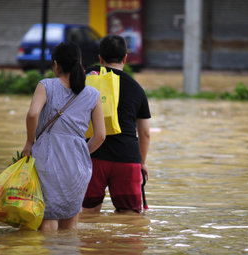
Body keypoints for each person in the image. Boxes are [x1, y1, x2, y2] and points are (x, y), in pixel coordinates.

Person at [22, 42, 106, 231]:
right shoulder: (93, 94)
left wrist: (29, 142)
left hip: (47, 156)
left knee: (48, 217)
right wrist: (82, 152)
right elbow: (100, 135)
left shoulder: (46, 85)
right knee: (70, 220)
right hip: (78, 163)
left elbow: (32, 114)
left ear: (56, 64)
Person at [82, 35, 151, 214]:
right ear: (125, 58)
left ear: (100, 58)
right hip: (127, 159)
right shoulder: (137, 89)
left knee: (87, 213)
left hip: (92, 155)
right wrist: (142, 163)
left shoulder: (88, 77)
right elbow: (145, 133)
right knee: (129, 219)